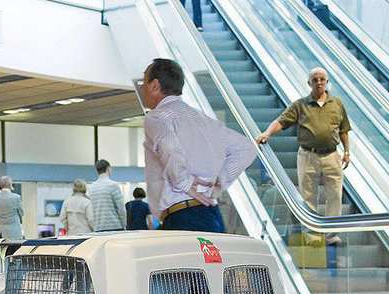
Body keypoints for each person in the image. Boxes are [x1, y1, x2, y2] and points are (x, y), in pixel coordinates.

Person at [142, 58, 257, 233]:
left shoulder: (157, 117)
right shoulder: (204, 120)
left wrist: (185, 183)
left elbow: (170, 148)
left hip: (181, 215)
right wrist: (220, 182)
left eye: (145, 82)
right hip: (211, 213)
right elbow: (247, 148)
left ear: (155, 85)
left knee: (183, 261)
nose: (143, 88)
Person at [257, 67, 350, 245]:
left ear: (327, 82)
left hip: (332, 155)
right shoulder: (300, 105)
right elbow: (281, 121)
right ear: (309, 83)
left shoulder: (337, 104)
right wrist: (267, 133)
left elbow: (344, 129)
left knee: (335, 194)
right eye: (315, 80)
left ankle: (331, 234)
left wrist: (347, 151)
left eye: (322, 79)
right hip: (308, 156)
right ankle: (313, 235)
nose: (319, 82)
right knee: (308, 195)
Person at [88, 159, 126, 231]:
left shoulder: (91, 187)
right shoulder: (113, 185)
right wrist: (124, 224)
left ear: (97, 171)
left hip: (98, 228)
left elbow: (91, 211)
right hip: (114, 227)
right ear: (108, 168)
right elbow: (121, 209)